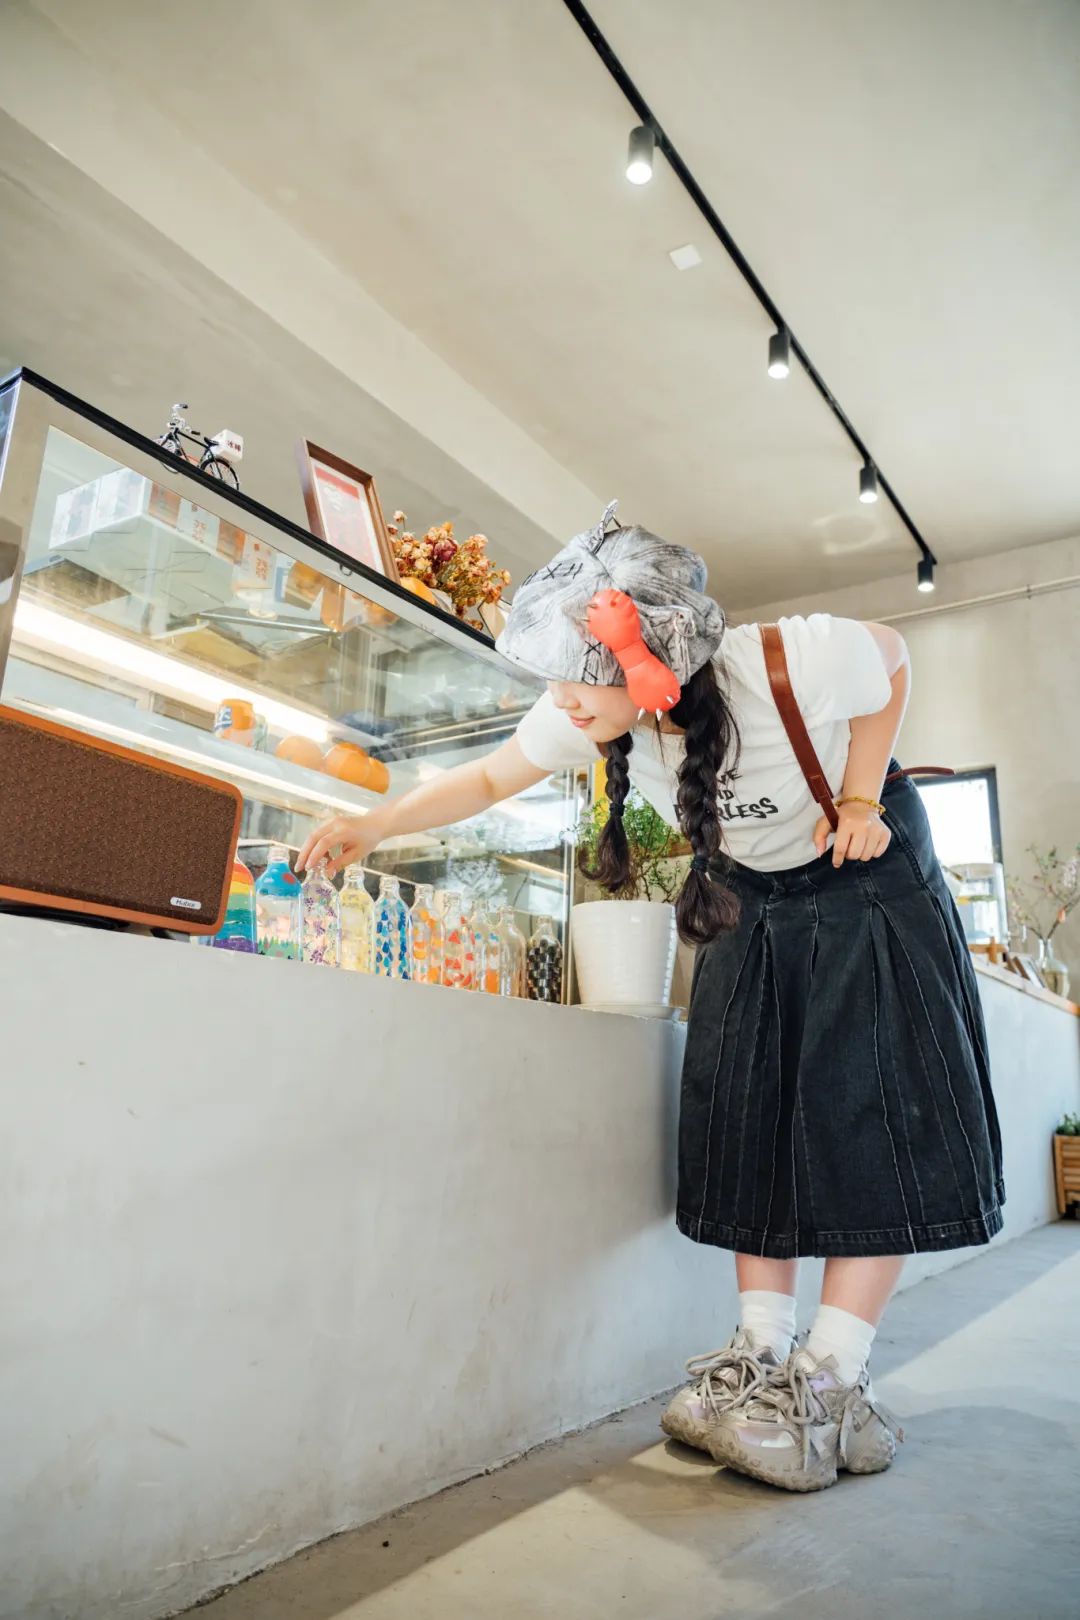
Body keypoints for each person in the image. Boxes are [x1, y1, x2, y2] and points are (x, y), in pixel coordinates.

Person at [298, 502, 1004, 1494]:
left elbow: (890, 656)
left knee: (869, 1117)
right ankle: (760, 1356)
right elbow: (490, 778)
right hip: (755, 897)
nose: (559, 698)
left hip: (866, 875)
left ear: (652, 659)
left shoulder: (778, 661)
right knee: (747, 1110)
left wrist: (856, 796)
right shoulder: (593, 708)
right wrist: (376, 824)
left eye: (573, 674)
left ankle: (833, 1379)